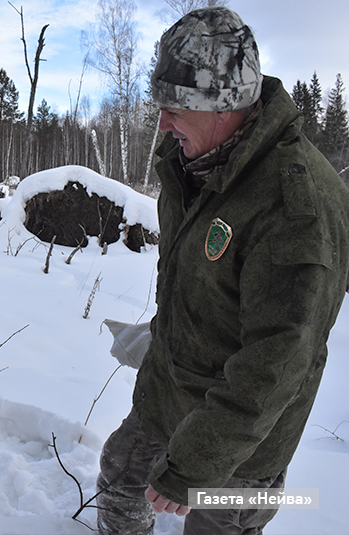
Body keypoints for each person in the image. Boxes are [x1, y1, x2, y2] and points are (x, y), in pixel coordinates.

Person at [96, 7, 349, 535]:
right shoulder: (190, 157)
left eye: (175, 107)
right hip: (169, 394)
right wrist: (163, 337)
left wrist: (191, 467)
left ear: (225, 106)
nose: (161, 123)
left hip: (239, 444)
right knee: (121, 475)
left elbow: (277, 362)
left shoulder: (294, 206)